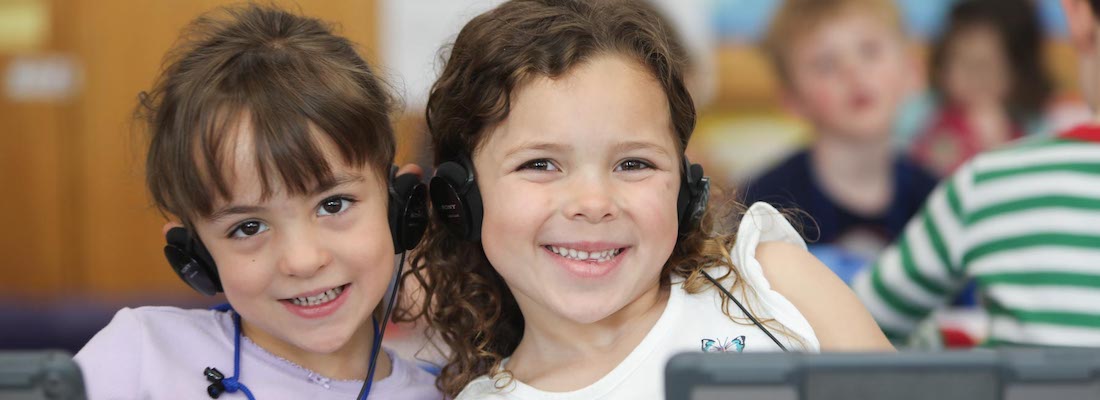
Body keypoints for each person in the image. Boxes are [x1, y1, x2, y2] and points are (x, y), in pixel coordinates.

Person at [400, 0, 893, 398]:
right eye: (540, 164)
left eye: (633, 164)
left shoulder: (773, 283)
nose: (593, 203)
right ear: (459, 200)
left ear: (686, 190)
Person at [74, 5, 441, 399]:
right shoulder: (141, 355)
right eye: (248, 227)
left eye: (333, 204)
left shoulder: (440, 393)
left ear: (402, 207)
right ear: (195, 257)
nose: (302, 261)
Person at [853, 0, 1100, 347]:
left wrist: (950, 343)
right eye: (964, 64)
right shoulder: (921, 117)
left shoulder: (990, 178)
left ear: (1076, 15)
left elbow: (859, 318)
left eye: (987, 67)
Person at [741, 0, 938, 274]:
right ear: (793, 100)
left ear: (912, 72)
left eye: (870, 51)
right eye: (826, 64)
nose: (853, 72)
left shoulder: (937, 200)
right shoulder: (765, 205)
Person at [910, 0, 1053, 177]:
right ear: (942, 67)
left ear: (1014, 73)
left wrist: (996, 139)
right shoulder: (927, 115)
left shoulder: (1033, 127)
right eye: (964, 62)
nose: (975, 77)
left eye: (986, 66)